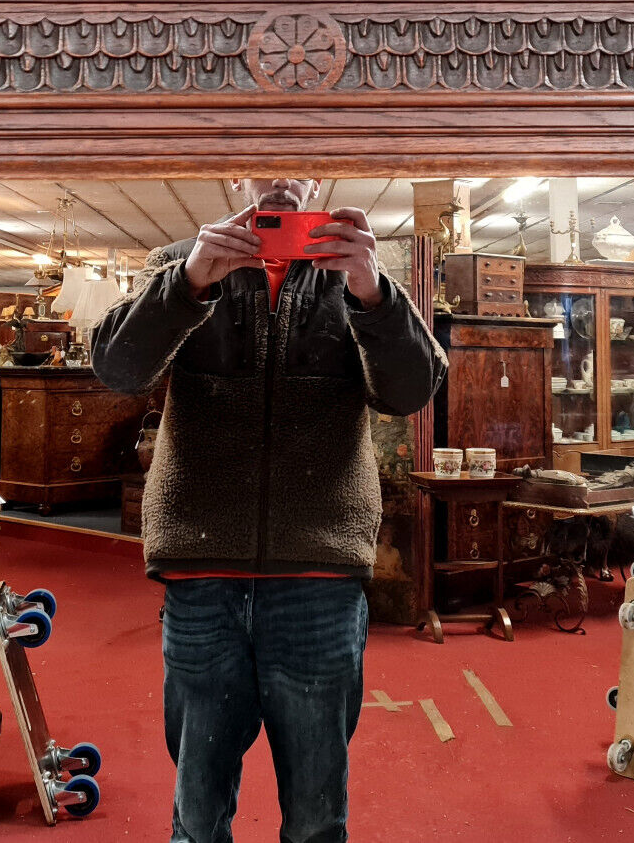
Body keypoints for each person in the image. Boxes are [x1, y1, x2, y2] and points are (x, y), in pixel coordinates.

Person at [91, 177, 447, 843]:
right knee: (197, 817)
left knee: (316, 818)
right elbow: (117, 369)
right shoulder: (180, 260)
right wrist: (190, 280)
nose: (280, 176)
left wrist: (375, 293)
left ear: (319, 181)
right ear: (234, 178)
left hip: (318, 576)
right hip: (202, 572)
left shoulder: (357, 274)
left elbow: (411, 392)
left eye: (298, 163)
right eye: (261, 162)